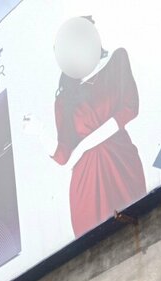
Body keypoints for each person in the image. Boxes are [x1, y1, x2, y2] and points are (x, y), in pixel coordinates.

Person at [49, 16, 147, 237]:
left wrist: (85, 145)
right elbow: (64, 154)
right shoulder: (64, 100)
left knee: (141, 226)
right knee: (96, 249)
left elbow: (130, 108)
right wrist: (38, 133)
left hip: (121, 162)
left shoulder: (117, 60)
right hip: (86, 181)